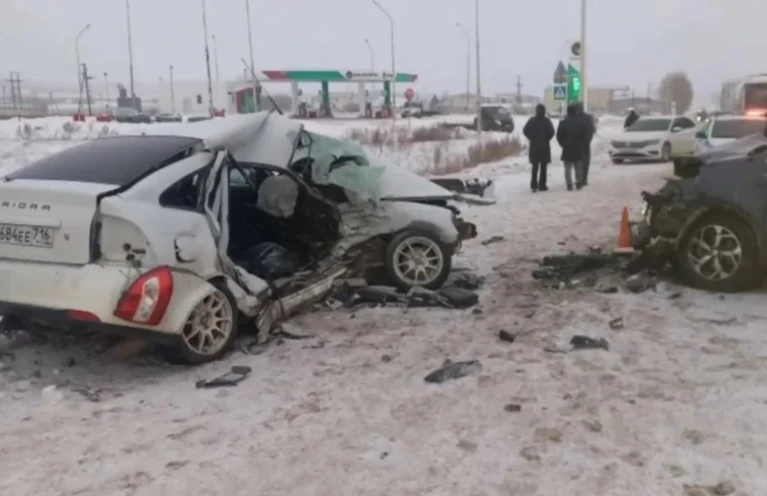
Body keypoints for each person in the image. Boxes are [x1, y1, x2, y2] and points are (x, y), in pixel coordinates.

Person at [523, 103, 555, 192]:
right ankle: (542, 185)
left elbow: (525, 130)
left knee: (535, 166)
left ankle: (534, 185)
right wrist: (546, 138)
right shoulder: (547, 121)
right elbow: (552, 132)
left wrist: (531, 137)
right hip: (544, 146)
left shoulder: (532, 121)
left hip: (534, 146)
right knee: (543, 167)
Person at [556, 103, 589, 190]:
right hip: (578, 147)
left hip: (567, 147)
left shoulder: (563, 123)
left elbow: (559, 135)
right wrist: (582, 144)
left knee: (567, 167)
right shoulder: (581, 123)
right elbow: (585, 135)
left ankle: (569, 184)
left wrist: (563, 144)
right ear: (575, 111)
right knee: (578, 166)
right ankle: (579, 183)